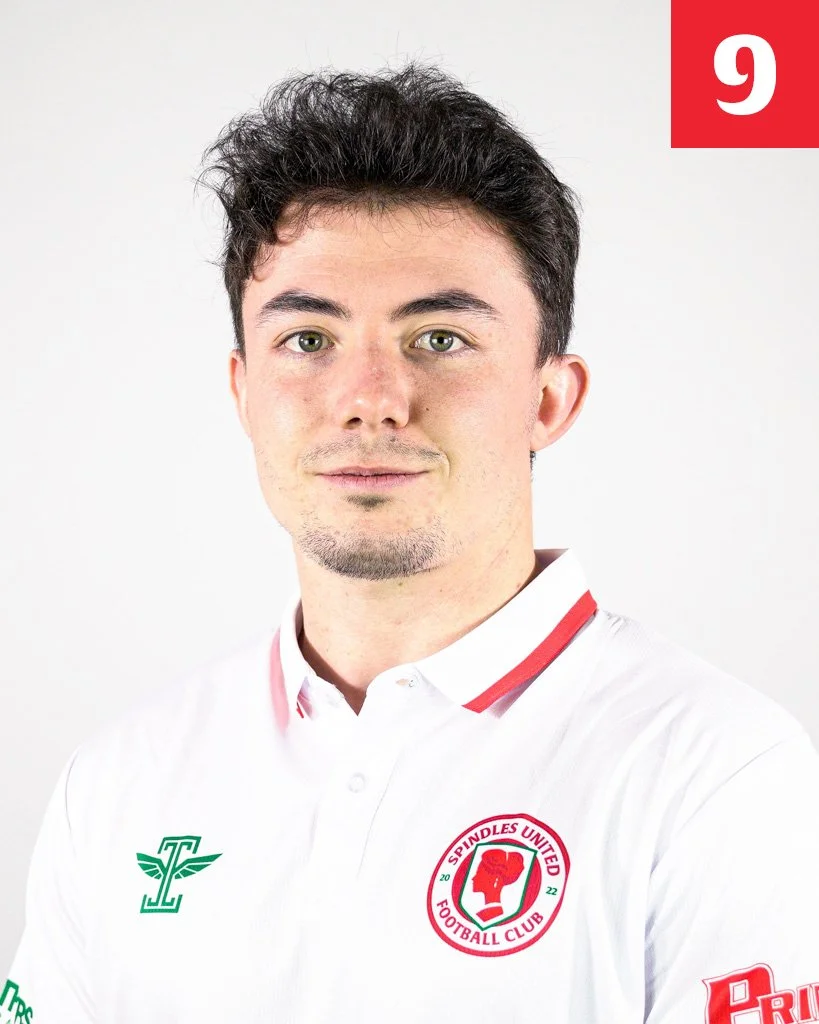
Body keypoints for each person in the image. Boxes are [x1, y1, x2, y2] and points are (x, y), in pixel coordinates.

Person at [3, 60, 818, 1024]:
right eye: (308, 340)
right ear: (243, 394)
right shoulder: (118, 783)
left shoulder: (717, 771)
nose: (369, 401)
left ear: (548, 399)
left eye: (438, 338)